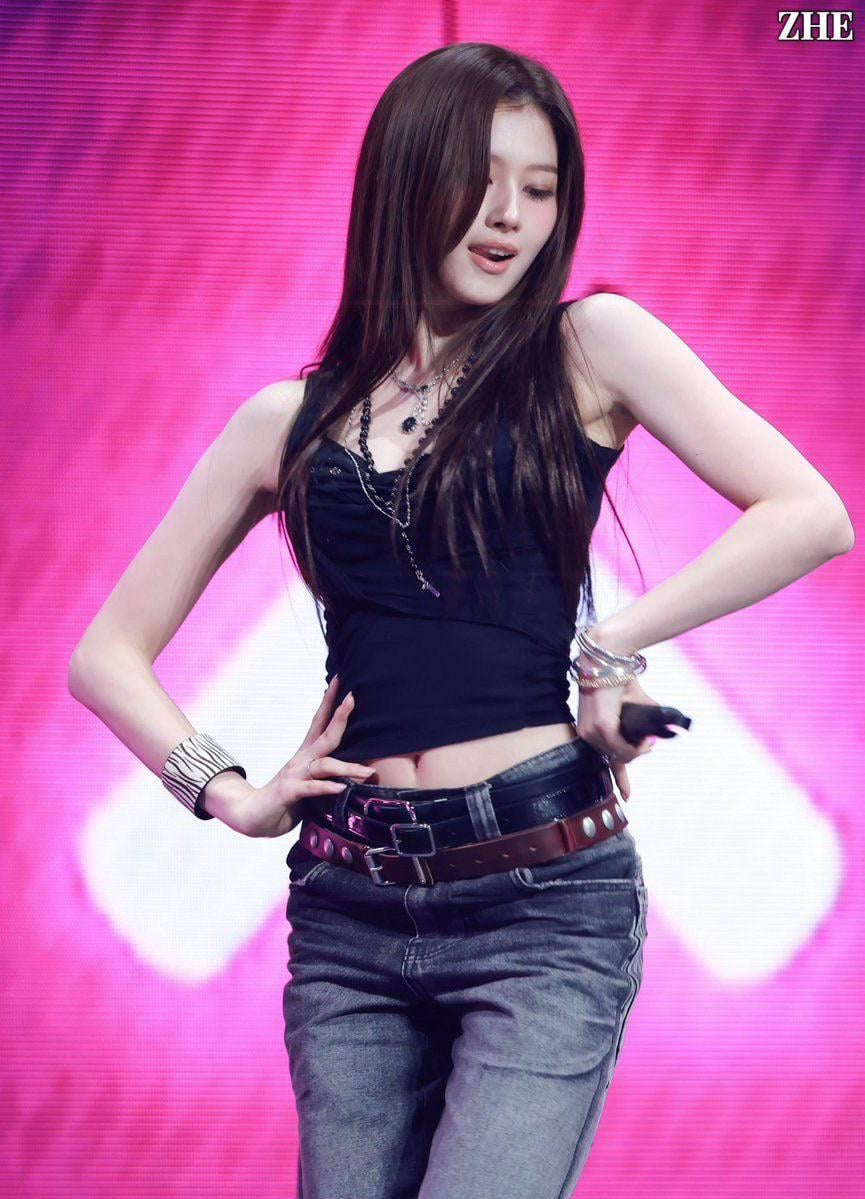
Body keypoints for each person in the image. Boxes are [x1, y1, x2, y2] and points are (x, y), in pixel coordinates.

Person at [68, 42, 854, 1199]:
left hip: (543, 895)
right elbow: (104, 655)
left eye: (540, 189)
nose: (510, 217)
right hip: (346, 904)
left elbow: (810, 513)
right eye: (481, 181)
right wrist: (230, 792)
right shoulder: (286, 421)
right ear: (403, 180)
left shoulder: (589, 345)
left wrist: (612, 641)